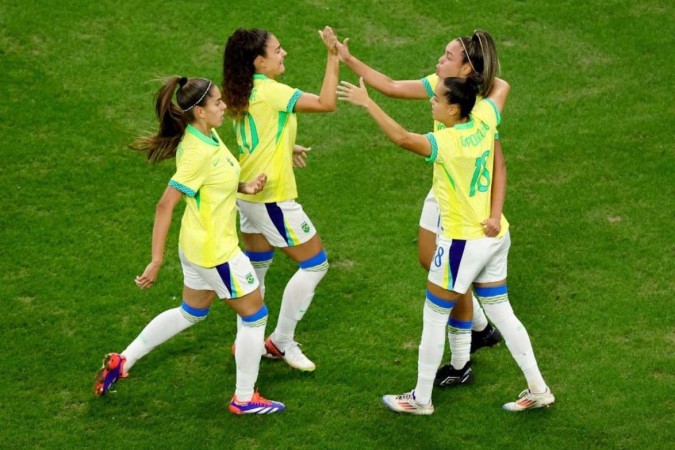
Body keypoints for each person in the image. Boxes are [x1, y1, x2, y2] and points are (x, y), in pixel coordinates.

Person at [337, 72, 554, 413]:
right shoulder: (484, 118)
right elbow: (501, 87)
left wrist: (368, 103)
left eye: (438, 99)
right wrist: (479, 59)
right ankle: (539, 389)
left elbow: (403, 139)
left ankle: (421, 399)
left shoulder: (449, 144)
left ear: (454, 109)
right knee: (503, 313)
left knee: (435, 316)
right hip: (495, 236)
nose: (431, 101)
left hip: (462, 243)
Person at [93, 76, 285, 415]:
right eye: (217, 103)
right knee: (256, 315)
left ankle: (125, 360)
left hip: (197, 247)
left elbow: (215, 180)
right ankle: (244, 398)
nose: (224, 106)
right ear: (199, 112)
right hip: (216, 252)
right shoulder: (196, 151)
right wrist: (155, 261)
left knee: (191, 312)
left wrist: (244, 185)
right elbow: (164, 205)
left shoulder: (206, 133)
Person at [336, 31, 506, 387]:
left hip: (459, 200)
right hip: (441, 190)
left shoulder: (477, 105)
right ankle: (480, 326)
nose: (438, 61)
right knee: (428, 258)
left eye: (447, 56)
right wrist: (347, 58)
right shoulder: (446, 86)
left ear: (467, 68)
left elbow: (403, 137)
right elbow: (394, 85)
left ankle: (461, 362)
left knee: (448, 278)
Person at [220, 27, 338, 372]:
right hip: (270, 197)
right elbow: (326, 103)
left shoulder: (243, 90)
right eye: (278, 49)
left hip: (246, 193)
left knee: (257, 265)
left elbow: (260, 134)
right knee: (315, 263)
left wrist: (287, 148)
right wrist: (333, 57)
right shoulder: (271, 91)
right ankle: (280, 342)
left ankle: (247, 340)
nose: (284, 53)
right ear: (259, 61)